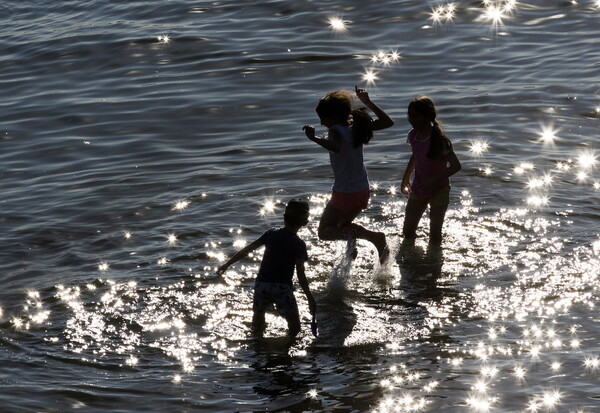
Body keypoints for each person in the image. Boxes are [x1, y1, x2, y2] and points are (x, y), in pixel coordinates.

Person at [303, 86, 394, 264]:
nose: (322, 123)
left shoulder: (335, 131)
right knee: (342, 227)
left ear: (333, 117)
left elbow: (336, 147)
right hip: (362, 190)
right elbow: (387, 122)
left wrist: (314, 139)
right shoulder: (356, 128)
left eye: (323, 119)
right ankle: (352, 246)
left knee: (325, 232)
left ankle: (374, 238)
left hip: (346, 193)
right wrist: (368, 102)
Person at [216, 198, 316, 339]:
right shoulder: (299, 244)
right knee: (295, 327)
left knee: (258, 318)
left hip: (262, 284)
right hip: (282, 287)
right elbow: (301, 275)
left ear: (284, 217)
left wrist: (227, 264)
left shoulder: (271, 233)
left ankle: (257, 345)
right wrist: (310, 298)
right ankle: (287, 351)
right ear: (305, 223)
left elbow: (248, 249)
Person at [400, 96, 461, 246]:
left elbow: (456, 166)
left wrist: (434, 179)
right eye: (410, 115)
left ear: (428, 117)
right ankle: (410, 259)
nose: (411, 119)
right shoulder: (413, 135)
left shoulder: (439, 141)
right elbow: (415, 156)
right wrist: (405, 177)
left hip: (439, 189)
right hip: (419, 187)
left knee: (434, 234)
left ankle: (433, 264)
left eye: (416, 116)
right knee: (408, 231)